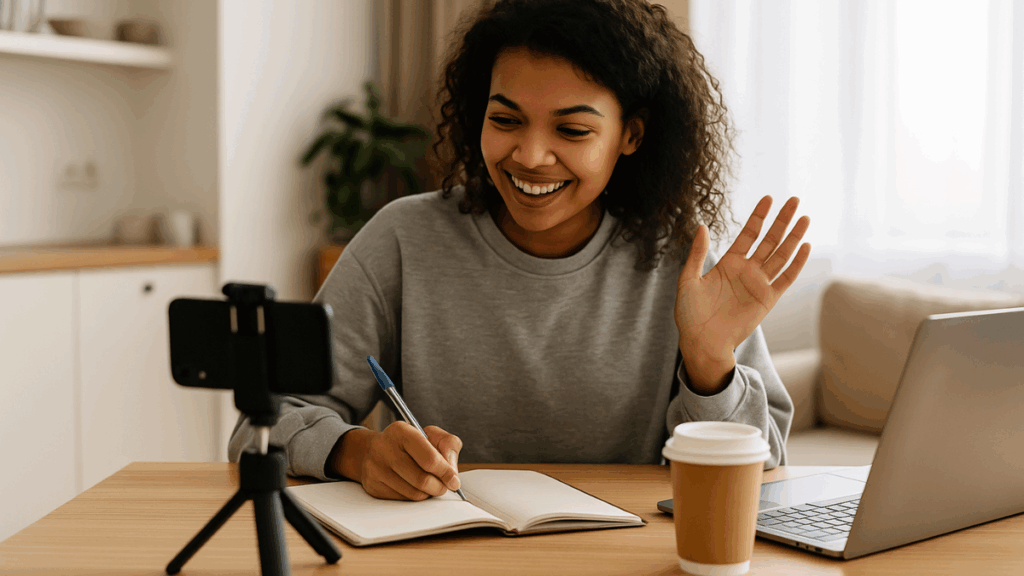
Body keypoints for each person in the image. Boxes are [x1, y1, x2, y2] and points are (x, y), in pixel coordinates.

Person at [229, 0, 810, 502]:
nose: (530, 155)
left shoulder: (681, 259)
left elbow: (765, 473)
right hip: (437, 551)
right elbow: (260, 424)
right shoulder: (403, 238)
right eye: (505, 119)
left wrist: (710, 369)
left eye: (572, 131)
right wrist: (357, 453)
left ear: (630, 135)